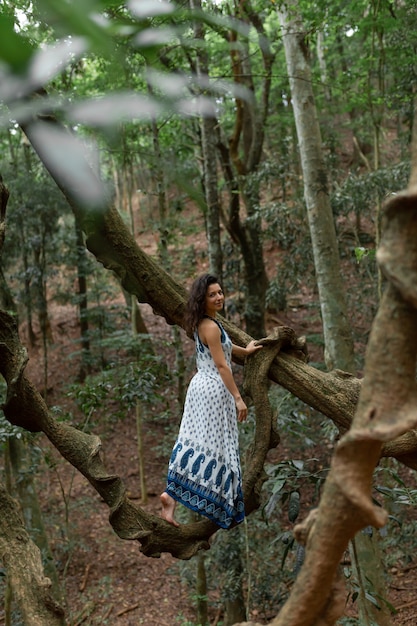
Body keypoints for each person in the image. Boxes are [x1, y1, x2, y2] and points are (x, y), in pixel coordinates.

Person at [160, 273, 262, 529]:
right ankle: (190, 499)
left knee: (196, 442)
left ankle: (171, 495)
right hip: (214, 389)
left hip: (202, 387)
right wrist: (238, 398)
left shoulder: (206, 324)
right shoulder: (211, 326)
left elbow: (223, 350)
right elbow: (221, 365)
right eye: (212, 295)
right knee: (213, 445)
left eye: (219, 292)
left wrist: (245, 351)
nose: (219, 297)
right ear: (202, 300)